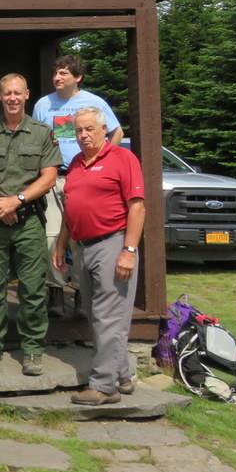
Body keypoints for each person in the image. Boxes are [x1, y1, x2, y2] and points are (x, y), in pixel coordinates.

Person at [0, 74, 61, 376]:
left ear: (27, 95)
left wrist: (16, 200)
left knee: (32, 289)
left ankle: (33, 348)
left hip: (28, 221)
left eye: (17, 93)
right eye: (7, 93)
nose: (12, 98)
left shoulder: (42, 132)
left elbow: (49, 176)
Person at [51, 107, 144, 405]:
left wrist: (128, 251)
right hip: (83, 246)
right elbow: (71, 208)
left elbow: (138, 207)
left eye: (90, 129)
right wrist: (60, 245)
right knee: (95, 314)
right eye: (79, 130)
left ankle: (105, 387)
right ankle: (123, 375)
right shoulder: (77, 163)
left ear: (104, 129)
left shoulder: (122, 159)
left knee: (108, 316)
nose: (83, 135)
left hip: (113, 242)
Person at [33, 55, 124, 317]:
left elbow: (116, 131)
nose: (57, 78)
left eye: (63, 73)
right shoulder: (43, 105)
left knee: (80, 237)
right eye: (55, 73)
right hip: (52, 176)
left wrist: (103, 158)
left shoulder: (94, 103)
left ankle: (84, 294)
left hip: (84, 176)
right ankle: (56, 293)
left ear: (77, 77)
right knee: (52, 236)